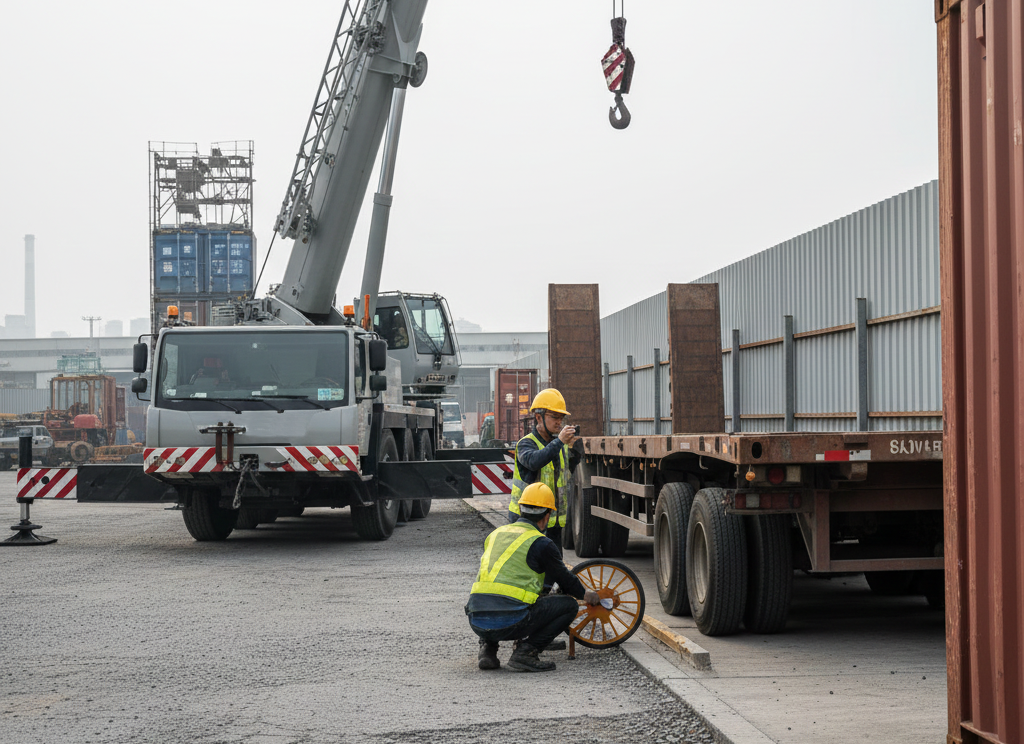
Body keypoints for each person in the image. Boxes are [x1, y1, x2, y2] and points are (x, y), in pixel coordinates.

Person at [467, 483, 600, 672]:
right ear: (546, 517)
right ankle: (526, 653)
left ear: (520, 509)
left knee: (493, 597)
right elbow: (565, 580)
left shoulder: (495, 535)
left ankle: (488, 650)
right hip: (512, 622)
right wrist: (587, 595)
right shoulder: (542, 543)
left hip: (477, 619)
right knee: (568, 606)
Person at [508, 388, 581, 552]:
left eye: (561, 417)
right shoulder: (526, 444)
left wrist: (575, 454)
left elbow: (565, 476)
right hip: (526, 518)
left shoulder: (559, 446)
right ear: (538, 417)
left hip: (552, 521)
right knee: (530, 569)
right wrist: (560, 442)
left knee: (552, 570)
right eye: (554, 417)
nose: (559, 422)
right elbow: (534, 462)